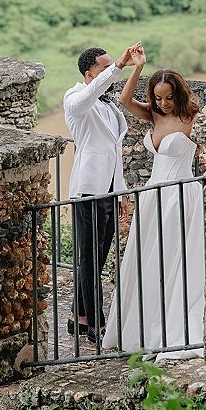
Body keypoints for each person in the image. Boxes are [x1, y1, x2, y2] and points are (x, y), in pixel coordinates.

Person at [102, 45, 205, 360]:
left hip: (180, 196)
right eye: (157, 97)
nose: (162, 103)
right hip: (152, 198)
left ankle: (171, 329)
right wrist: (137, 67)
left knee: (174, 259)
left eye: (168, 98)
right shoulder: (152, 115)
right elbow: (123, 100)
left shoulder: (193, 119)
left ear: (179, 95)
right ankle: (143, 328)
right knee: (148, 261)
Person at [64, 45, 133, 344]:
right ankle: (96, 323)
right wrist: (118, 65)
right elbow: (88, 95)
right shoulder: (75, 99)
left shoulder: (108, 105)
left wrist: (121, 192)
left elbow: (113, 151)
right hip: (88, 190)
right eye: (104, 69)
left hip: (108, 190)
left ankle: (76, 317)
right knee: (90, 259)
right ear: (90, 74)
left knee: (97, 257)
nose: (111, 75)